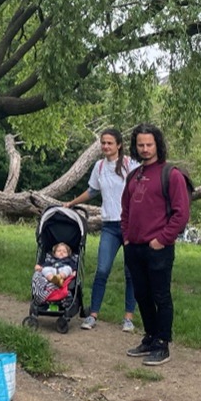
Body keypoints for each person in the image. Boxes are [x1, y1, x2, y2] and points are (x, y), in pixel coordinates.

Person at [120, 124, 190, 366]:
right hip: (134, 247)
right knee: (141, 295)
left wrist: (162, 240)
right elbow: (125, 210)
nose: (145, 149)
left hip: (158, 248)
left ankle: (163, 343)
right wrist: (126, 237)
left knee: (161, 295)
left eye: (149, 144)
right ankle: (150, 336)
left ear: (157, 145)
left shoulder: (171, 175)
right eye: (141, 145)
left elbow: (181, 214)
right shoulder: (134, 175)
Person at [68, 128, 138, 332]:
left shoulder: (130, 165)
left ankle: (128, 317)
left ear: (119, 145)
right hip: (109, 225)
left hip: (130, 226)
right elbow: (92, 191)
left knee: (131, 272)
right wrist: (71, 203)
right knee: (102, 270)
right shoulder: (99, 167)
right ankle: (93, 315)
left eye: (109, 143)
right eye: (103, 143)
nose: (106, 146)